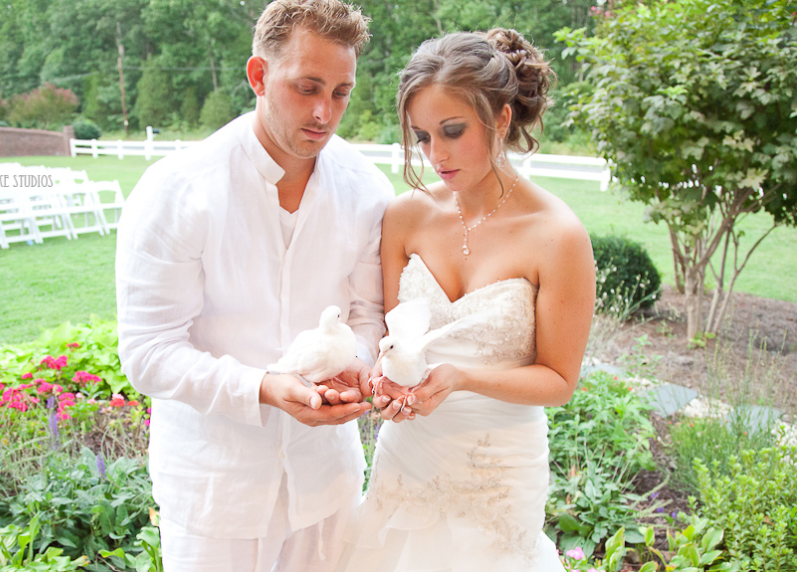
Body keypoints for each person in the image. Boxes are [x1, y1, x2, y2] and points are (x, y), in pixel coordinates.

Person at [115, 1, 394, 570]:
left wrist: (356, 369)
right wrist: (262, 387)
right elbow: (147, 352)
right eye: (307, 86)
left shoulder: (367, 189)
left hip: (327, 486)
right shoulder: (177, 190)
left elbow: (369, 315)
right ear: (259, 76)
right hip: (215, 492)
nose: (324, 112)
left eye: (341, 92)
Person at [338, 29, 595, 571]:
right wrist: (386, 387)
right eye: (423, 137)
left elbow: (559, 381)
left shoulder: (557, 235)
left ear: (501, 119)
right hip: (407, 460)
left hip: (498, 472)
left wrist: (461, 376)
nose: (436, 155)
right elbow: (392, 342)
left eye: (452, 132)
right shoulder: (404, 216)